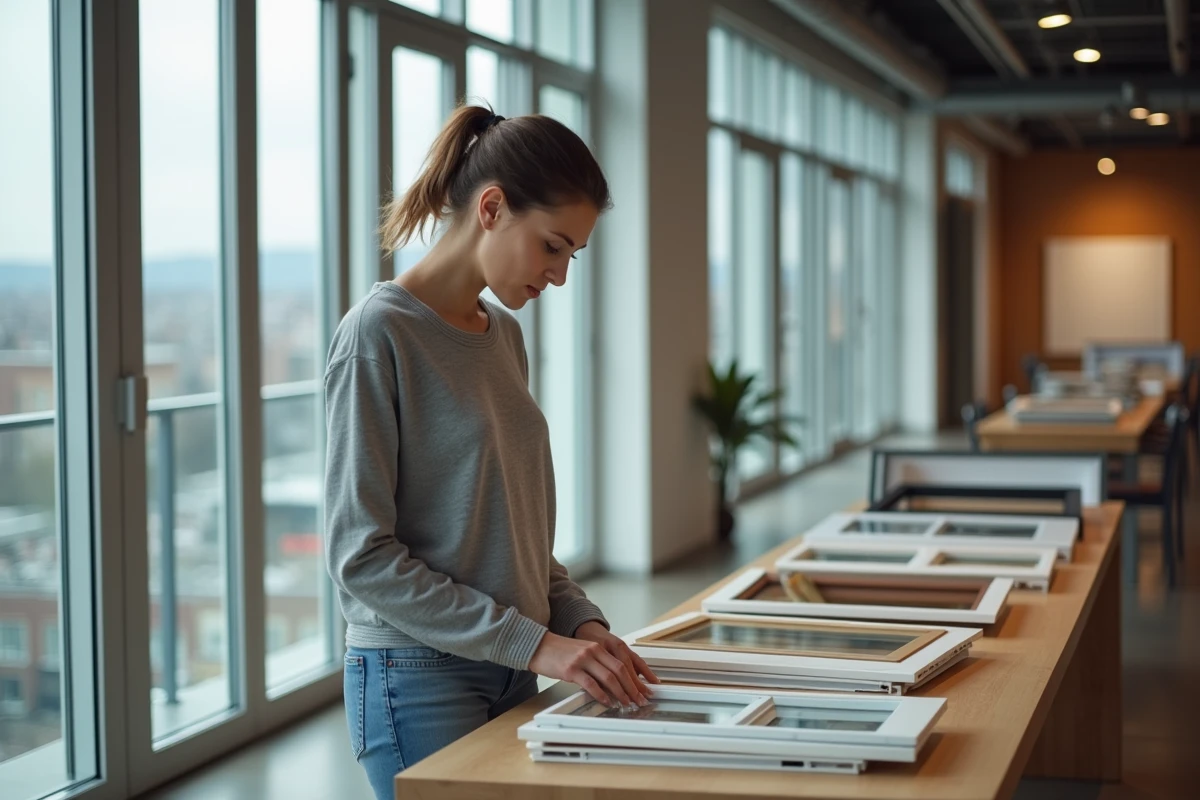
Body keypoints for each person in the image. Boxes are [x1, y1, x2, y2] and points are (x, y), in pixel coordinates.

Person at [323, 103, 659, 800]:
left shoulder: (503, 336)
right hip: (417, 677)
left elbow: (515, 535)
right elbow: (361, 556)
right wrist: (540, 643)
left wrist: (580, 625)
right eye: (553, 246)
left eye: (572, 254)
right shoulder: (376, 336)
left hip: (512, 664)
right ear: (494, 207)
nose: (560, 275)